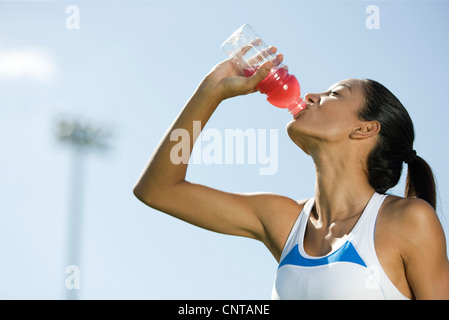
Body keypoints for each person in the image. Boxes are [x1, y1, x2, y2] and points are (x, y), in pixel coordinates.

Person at [133, 48, 449, 299]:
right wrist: (212, 90)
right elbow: (158, 190)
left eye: (334, 94)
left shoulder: (408, 219)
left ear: (365, 129)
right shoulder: (284, 219)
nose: (311, 96)